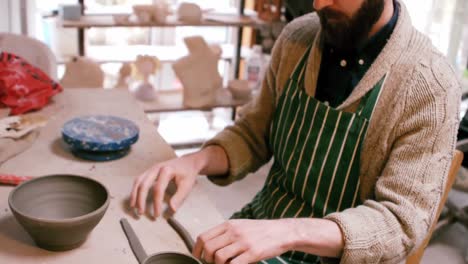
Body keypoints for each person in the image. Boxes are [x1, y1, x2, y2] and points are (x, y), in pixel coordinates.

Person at [130, 0, 461, 263]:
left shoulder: (429, 86)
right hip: (260, 227)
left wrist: (286, 232)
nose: (318, 4)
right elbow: (253, 133)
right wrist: (195, 162)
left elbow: (401, 224)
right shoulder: (297, 39)